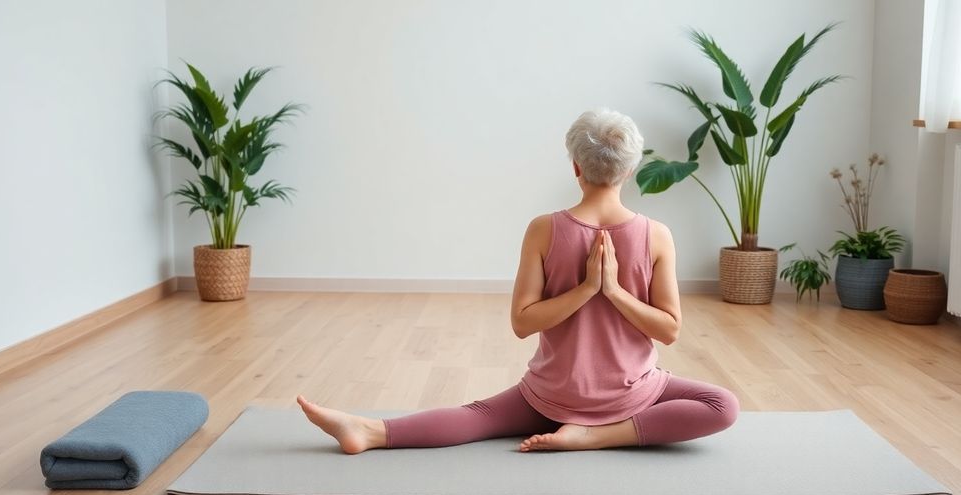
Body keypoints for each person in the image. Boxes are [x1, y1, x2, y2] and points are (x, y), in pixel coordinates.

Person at [297, 108, 740, 454]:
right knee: (723, 405)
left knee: (479, 416)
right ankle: (604, 434)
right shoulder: (656, 235)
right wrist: (602, 289)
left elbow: (522, 322)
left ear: (575, 167)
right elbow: (670, 329)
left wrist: (600, 289)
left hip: (552, 395)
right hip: (632, 395)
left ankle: (371, 432)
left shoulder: (544, 229)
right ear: (629, 170)